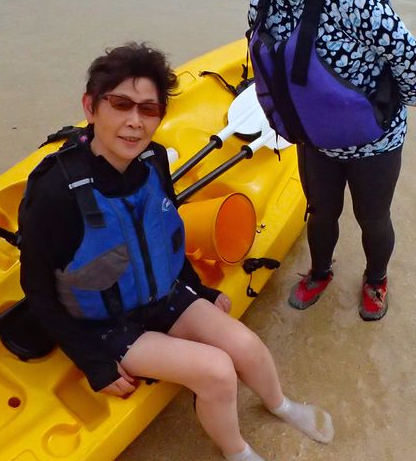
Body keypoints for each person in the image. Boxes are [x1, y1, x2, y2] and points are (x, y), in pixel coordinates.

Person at [19, 43, 333, 461]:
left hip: (163, 296)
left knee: (246, 346)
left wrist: (197, 290)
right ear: (91, 108)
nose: (134, 123)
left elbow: (163, 233)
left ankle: (281, 405)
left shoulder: (152, 159)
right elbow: (37, 289)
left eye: (148, 110)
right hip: (105, 323)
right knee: (218, 373)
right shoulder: (55, 191)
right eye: (120, 105)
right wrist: (93, 362)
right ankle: (236, 451)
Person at [223, 0, 416, 322]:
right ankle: (320, 271)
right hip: (314, 138)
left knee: (372, 217)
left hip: (372, 139)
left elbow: (409, 54)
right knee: (320, 213)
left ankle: (376, 279)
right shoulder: (261, 1)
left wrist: (410, 94)